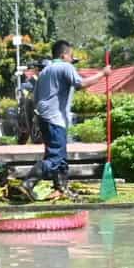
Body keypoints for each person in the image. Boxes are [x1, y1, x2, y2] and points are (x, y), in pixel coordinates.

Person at [25, 41, 84, 190]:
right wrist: (103, 74)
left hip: (45, 118)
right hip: (55, 119)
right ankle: (28, 183)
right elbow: (80, 84)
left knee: (61, 157)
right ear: (64, 55)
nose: (72, 60)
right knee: (55, 158)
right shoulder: (65, 66)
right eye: (71, 56)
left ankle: (61, 187)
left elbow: (36, 98)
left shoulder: (45, 71)